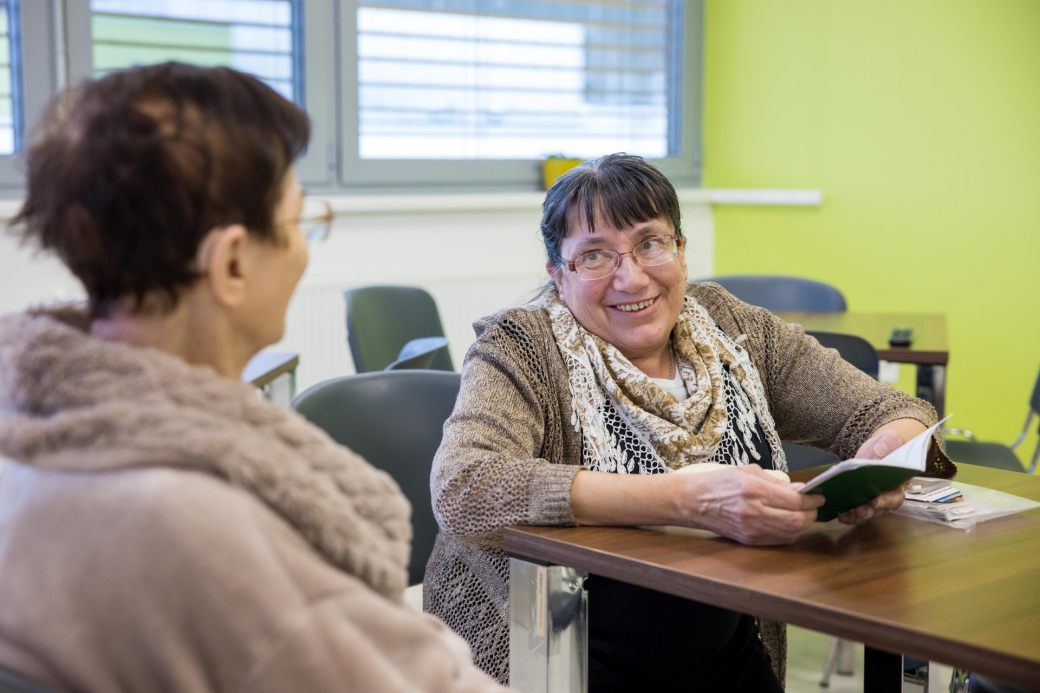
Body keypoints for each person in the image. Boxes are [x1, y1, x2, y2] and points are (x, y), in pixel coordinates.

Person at [0, 63, 505, 692]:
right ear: (233, 262)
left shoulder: (31, 444)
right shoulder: (199, 528)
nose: (301, 250)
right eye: (298, 224)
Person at [424, 153, 954, 690]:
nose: (631, 278)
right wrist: (688, 500)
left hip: (722, 645)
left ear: (680, 249)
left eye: (650, 243)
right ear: (558, 275)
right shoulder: (520, 348)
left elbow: (893, 410)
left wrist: (887, 453)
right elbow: (464, 487)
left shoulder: (729, 326)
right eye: (594, 256)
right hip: (566, 652)